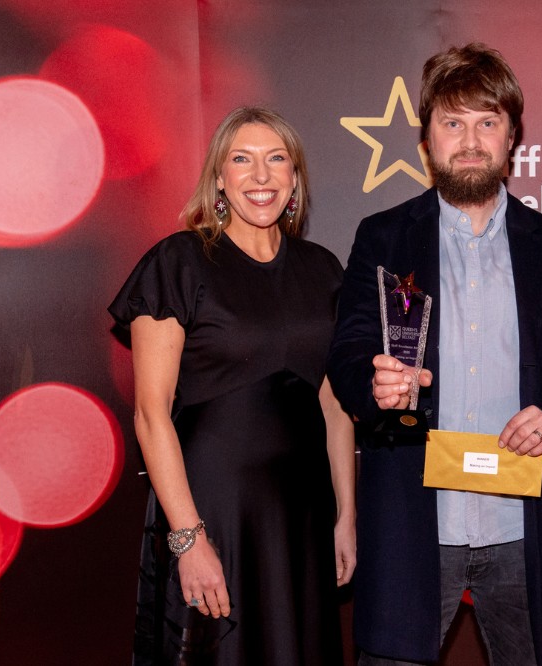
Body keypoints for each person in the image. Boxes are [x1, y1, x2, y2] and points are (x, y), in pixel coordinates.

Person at [326, 43, 542, 666]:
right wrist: (372, 383)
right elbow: (348, 357)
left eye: (487, 122)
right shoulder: (381, 237)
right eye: (452, 123)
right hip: (414, 525)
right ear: (427, 138)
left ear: (511, 136)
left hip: (527, 528)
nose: (470, 140)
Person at [108, 107, 355, 665]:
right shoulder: (179, 261)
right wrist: (188, 540)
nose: (260, 176)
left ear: (294, 179)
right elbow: (151, 413)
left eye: (276, 160)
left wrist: (345, 516)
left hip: (303, 517)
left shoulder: (324, 270)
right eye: (241, 160)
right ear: (219, 177)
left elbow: (335, 405)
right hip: (212, 510)